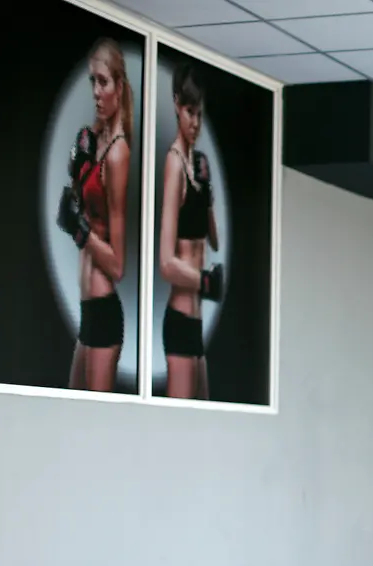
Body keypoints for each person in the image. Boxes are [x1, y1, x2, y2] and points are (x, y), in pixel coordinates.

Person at [57, 37, 133, 392]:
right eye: (92, 81)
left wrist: (80, 230)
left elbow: (117, 265)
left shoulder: (118, 154)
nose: (96, 91)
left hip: (103, 311)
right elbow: (78, 214)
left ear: (119, 86)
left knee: (89, 430)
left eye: (103, 81)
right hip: (88, 311)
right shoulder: (95, 142)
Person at [157, 60, 222, 400]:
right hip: (181, 318)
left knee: (205, 416)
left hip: (196, 321)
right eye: (189, 112)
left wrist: (207, 193)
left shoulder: (197, 167)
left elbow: (214, 240)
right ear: (176, 106)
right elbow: (166, 263)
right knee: (179, 427)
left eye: (200, 114)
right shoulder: (174, 164)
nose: (195, 122)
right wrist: (205, 281)